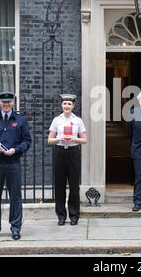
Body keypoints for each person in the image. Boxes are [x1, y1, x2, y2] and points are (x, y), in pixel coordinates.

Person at [0, 91, 31, 240]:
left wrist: (17, 149)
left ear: (13, 103)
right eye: (4, 102)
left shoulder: (20, 120)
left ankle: (15, 228)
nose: (7, 104)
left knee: (15, 197)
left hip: (13, 163)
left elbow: (27, 141)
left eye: (9, 102)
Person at [48, 94, 87, 226]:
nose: (67, 106)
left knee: (74, 186)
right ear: (61, 105)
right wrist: (60, 138)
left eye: (69, 104)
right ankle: (61, 216)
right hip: (59, 152)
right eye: (65, 103)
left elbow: (84, 139)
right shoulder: (56, 120)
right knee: (59, 186)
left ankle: (74, 215)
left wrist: (74, 138)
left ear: (73, 106)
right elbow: (50, 140)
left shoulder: (78, 120)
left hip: (73, 153)